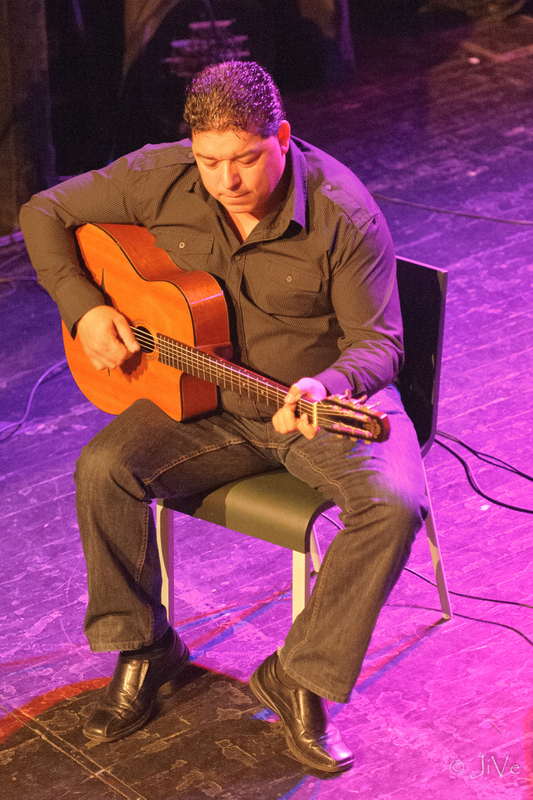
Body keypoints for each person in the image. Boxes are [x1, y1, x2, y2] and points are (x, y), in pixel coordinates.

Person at [20, 61, 428, 774]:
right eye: (210, 161)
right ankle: (146, 647)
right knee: (103, 468)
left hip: (319, 399)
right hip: (202, 400)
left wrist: (323, 383)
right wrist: (85, 310)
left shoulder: (343, 212)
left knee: (392, 505)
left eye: (244, 159)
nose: (225, 180)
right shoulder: (162, 174)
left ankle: (297, 677)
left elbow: (381, 344)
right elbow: (43, 212)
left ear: (282, 137)